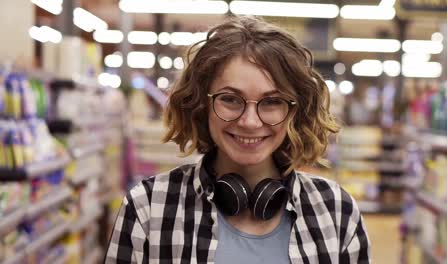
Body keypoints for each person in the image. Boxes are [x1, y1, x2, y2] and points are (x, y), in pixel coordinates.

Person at [105, 16, 371, 263]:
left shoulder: (336, 211)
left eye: (272, 102)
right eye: (230, 99)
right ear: (201, 104)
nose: (250, 122)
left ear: (294, 110)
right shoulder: (150, 206)